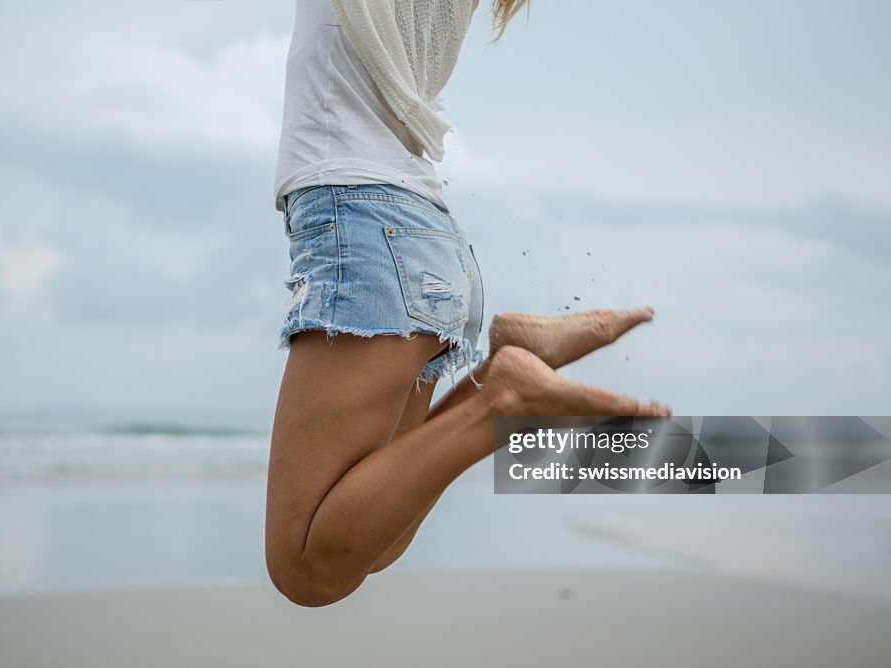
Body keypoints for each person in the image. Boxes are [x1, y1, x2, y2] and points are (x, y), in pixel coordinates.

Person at [266, 0, 671, 608]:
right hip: (421, 239)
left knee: (307, 567)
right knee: (371, 544)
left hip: (364, 224)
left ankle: (502, 397)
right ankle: (504, 370)